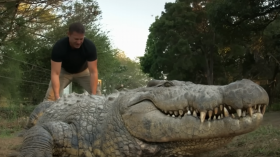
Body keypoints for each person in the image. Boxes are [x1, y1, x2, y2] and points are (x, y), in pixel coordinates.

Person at [44, 22, 100, 101]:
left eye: (81, 39)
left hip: (83, 72)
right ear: (69, 34)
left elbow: (93, 72)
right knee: (50, 97)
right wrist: (56, 97)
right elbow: (55, 73)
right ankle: (41, 113)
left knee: (98, 96)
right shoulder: (59, 47)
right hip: (64, 72)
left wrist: (94, 96)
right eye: (76, 39)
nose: (78, 42)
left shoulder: (90, 46)